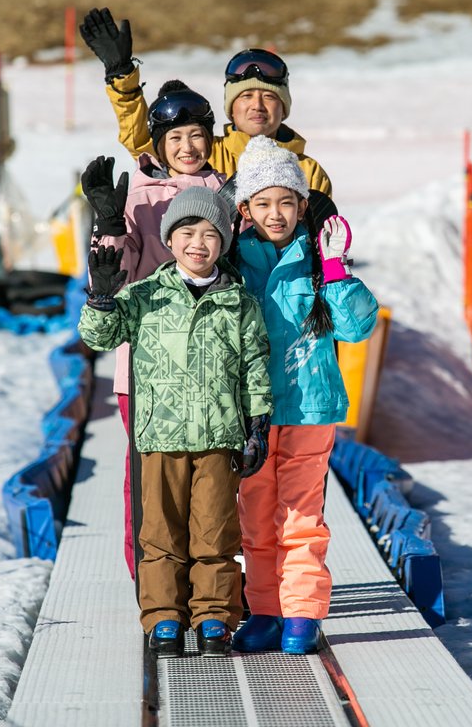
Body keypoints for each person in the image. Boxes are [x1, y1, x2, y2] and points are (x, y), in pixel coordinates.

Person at [78, 186, 273, 657]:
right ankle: (164, 616)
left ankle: (212, 618)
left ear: (224, 244)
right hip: (159, 436)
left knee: (216, 533)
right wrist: (102, 301)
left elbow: (255, 365)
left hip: (218, 437)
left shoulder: (239, 303)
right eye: (187, 233)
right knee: (160, 533)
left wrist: (258, 423)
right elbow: (99, 337)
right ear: (170, 239)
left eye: (210, 235)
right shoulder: (145, 295)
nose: (198, 244)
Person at [225, 136, 378, 654]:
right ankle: (265, 610)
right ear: (245, 208)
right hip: (254, 413)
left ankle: (303, 613)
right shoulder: (233, 264)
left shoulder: (317, 259)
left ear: (301, 206)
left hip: (311, 407)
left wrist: (336, 272)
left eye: (286, 202)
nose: (276, 213)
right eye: (264, 202)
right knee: (256, 517)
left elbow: (357, 328)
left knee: (301, 517)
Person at [83, 80, 226, 579]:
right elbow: (116, 273)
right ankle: (153, 583)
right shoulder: (140, 197)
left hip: (213, 365)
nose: (188, 148)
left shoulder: (229, 192)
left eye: (196, 136)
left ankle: (210, 583)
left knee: (210, 485)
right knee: (149, 484)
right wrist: (108, 222)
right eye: (175, 139)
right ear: (160, 146)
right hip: (148, 368)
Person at [79, 7, 333, 196]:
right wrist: (122, 77)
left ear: (284, 107)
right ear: (231, 108)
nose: (257, 105)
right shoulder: (205, 153)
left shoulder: (308, 172)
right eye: (246, 96)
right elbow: (146, 142)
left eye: (269, 96)